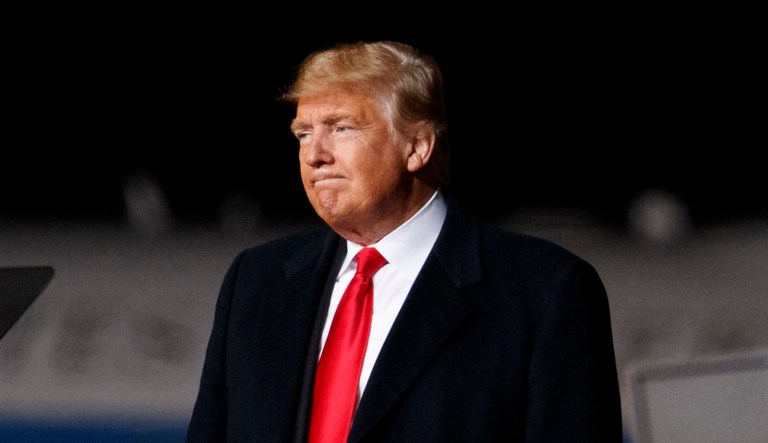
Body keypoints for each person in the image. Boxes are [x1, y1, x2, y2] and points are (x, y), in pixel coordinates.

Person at [185, 40, 623, 442]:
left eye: (341, 128)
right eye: (303, 133)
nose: (314, 154)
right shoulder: (256, 282)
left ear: (417, 147)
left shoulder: (544, 292)